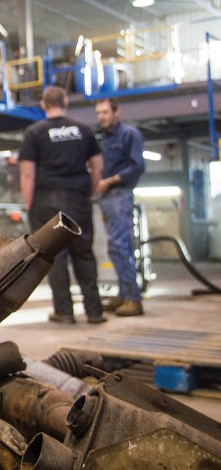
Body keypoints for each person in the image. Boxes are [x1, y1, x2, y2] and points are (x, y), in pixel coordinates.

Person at [19, 86, 105, 324]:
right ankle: (95, 312)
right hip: (78, 197)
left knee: (53, 257)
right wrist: (87, 191)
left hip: (46, 200)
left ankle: (64, 312)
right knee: (84, 254)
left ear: (43, 105)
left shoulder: (34, 132)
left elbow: (27, 174)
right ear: (65, 102)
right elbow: (98, 167)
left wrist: (30, 204)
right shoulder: (83, 129)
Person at [95, 98, 145, 316]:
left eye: (105, 112)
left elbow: (137, 166)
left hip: (120, 194)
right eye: (98, 113)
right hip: (106, 197)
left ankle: (133, 298)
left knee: (119, 245)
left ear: (117, 111)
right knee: (115, 247)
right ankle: (124, 293)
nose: (101, 117)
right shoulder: (103, 140)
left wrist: (110, 180)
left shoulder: (129, 134)